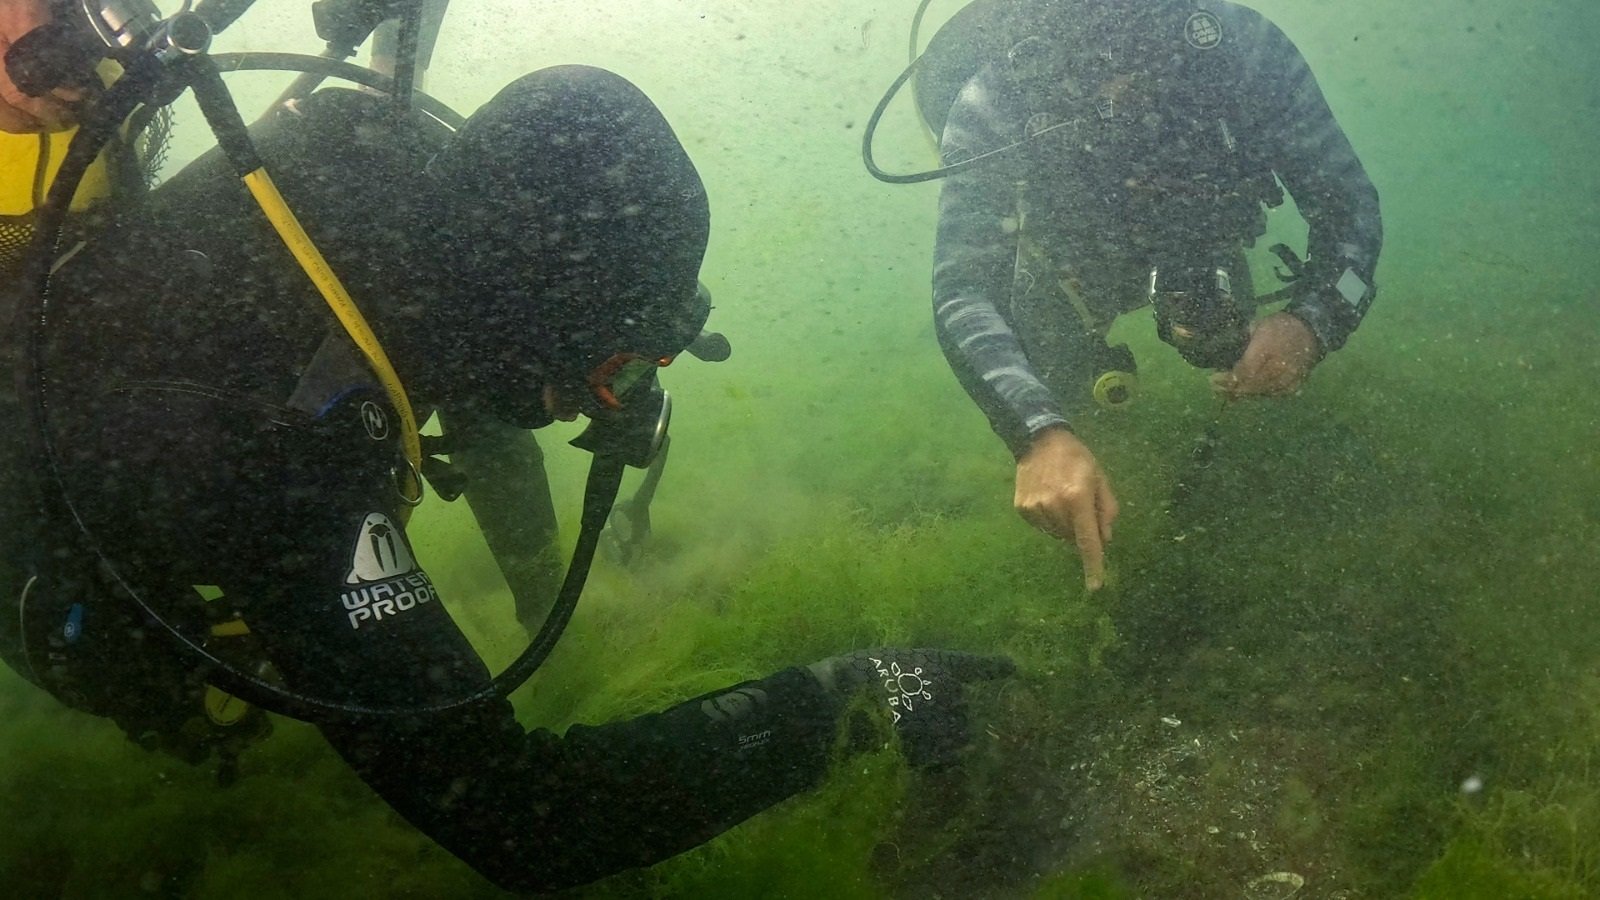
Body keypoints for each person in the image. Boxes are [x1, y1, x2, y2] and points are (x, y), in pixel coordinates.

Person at [0, 5, 1012, 893]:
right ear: (536, 312)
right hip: (69, 524)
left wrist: (547, 556)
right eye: (609, 367)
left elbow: (488, 371)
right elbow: (523, 818)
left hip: (132, 407)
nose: (600, 404)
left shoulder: (401, 206)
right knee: (149, 667)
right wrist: (847, 697)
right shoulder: (286, 458)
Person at [915, 0, 1382, 590]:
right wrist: (1037, 434)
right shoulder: (998, 96)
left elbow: (1349, 208)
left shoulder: (1242, 48)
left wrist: (1310, 324)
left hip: (1202, 239)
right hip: (1069, 272)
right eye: (1092, 59)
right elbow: (964, 290)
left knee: (1230, 350)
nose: (1122, 85)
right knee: (1053, 382)